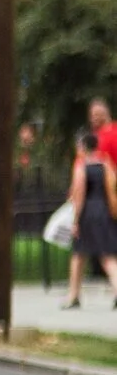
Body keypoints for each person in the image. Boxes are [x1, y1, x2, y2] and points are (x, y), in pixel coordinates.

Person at [64, 127, 117, 309]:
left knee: (78, 255)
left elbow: (78, 195)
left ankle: (73, 295)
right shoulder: (106, 164)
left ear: (83, 146)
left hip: (88, 213)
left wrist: (75, 221)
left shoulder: (81, 166)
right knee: (107, 255)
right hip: (103, 211)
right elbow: (111, 189)